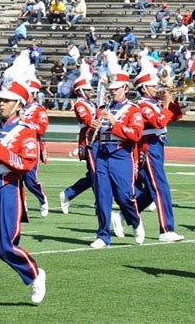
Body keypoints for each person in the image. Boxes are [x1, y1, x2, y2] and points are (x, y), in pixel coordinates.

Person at [0, 81, 46, 311]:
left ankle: (35, 273)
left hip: (8, 187)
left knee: (5, 246)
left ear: (18, 105)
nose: (1, 104)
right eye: (1, 100)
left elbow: (25, 164)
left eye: (6, 101)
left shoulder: (26, 131)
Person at [90, 71, 145, 248]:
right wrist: (93, 128)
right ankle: (103, 235)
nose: (112, 92)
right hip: (102, 154)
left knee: (124, 196)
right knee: (102, 196)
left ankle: (135, 221)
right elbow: (95, 134)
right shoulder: (103, 109)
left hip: (121, 155)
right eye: (110, 89)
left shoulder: (133, 110)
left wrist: (115, 123)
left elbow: (135, 135)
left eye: (116, 89)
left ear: (125, 89)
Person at [134, 70, 185, 242]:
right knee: (161, 187)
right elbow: (158, 122)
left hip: (157, 145)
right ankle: (166, 229)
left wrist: (171, 101)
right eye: (151, 86)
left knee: (150, 190)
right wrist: (165, 104)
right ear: (143, 89)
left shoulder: (154, 103)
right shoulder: (143, 105)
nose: (156, 88)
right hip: (148, 146)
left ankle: (126, 216)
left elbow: (177, 116)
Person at [59, 76, 97, 214]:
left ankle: (69, 194)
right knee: (96, 173)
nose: (90, 91)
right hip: (88, 138)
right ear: (80, 91)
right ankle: (99, 202)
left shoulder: (91, 103)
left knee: (96, 173)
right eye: (87, 89)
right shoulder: (79, 104)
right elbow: (87, 120)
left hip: (96, 137)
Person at [20, 76, 50, 217]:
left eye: (30, 93)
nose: (26, 97)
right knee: (16, 177)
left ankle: (42, 199)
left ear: (36, 94)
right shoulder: (19, 108)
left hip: (32, 146)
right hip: (17, 146)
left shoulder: (40, 110)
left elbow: (41, 129)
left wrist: (25, 121)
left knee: (30, 179)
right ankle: (22, 205)